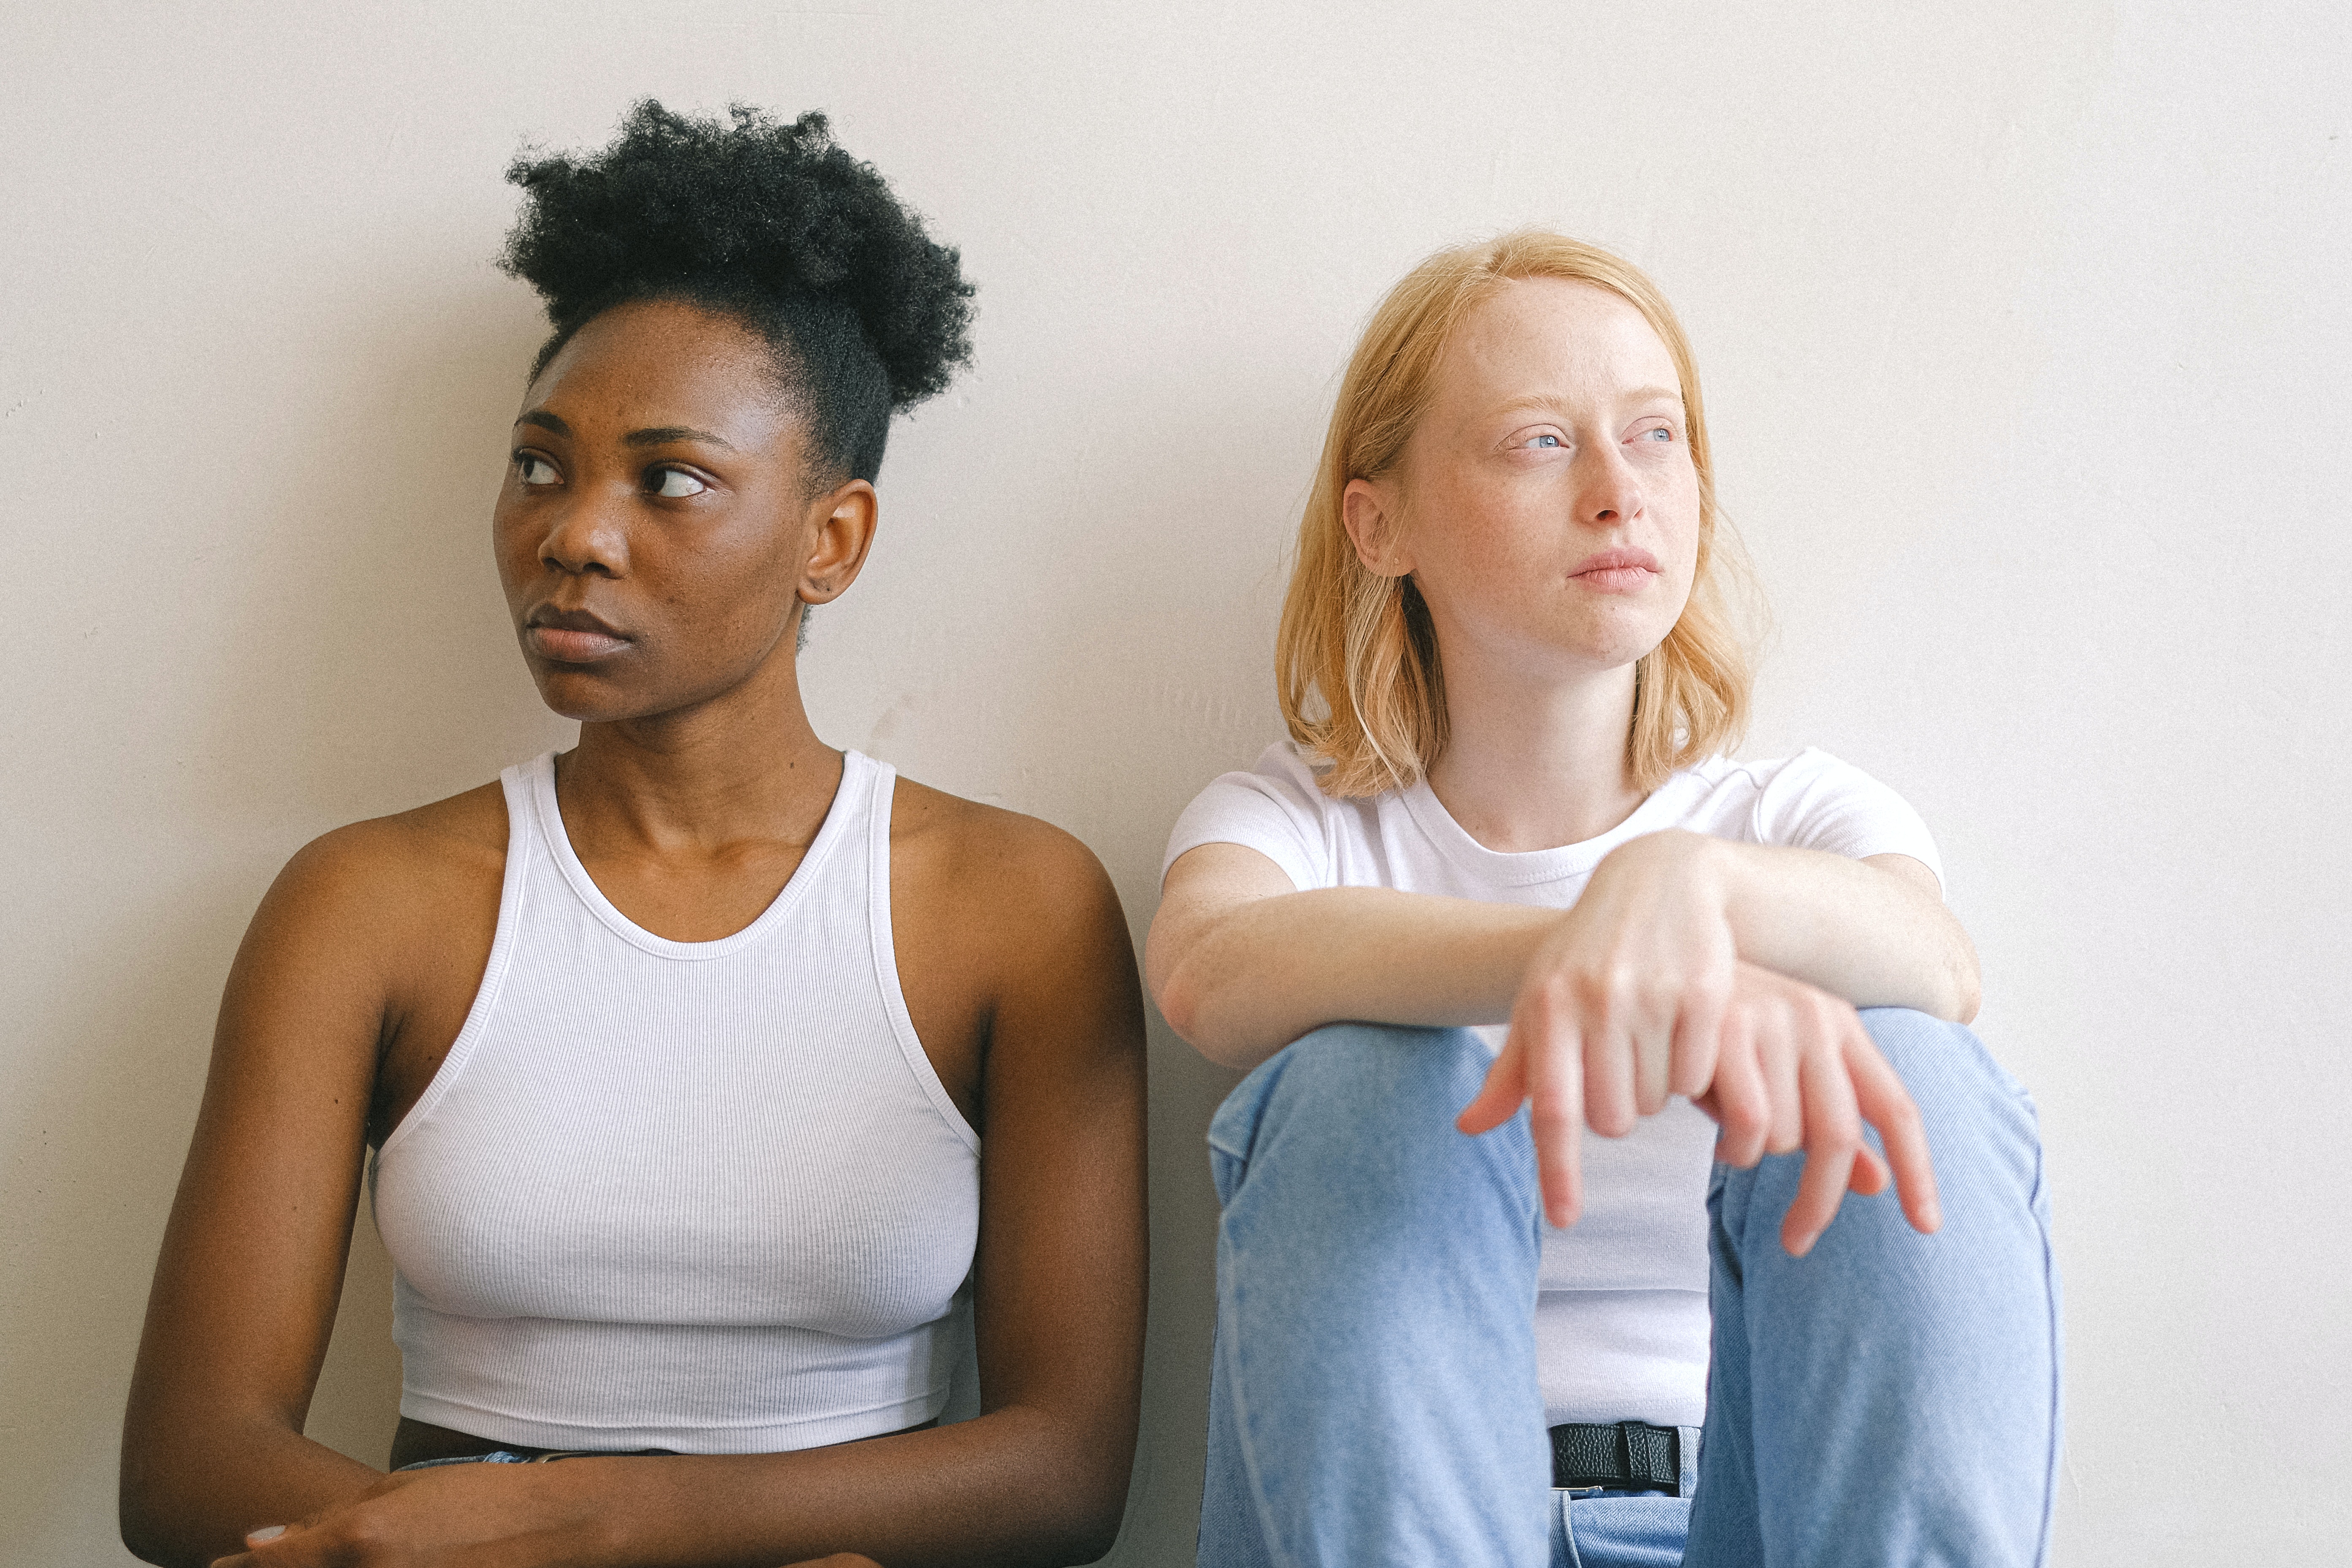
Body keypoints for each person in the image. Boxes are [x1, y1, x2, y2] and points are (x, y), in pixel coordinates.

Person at [121, 103, 1147, 1568]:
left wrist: (603, 1523)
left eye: (670, 480)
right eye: (542, 465)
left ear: (831, 540)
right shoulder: (367, 901)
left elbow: (1064, 1473)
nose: (576, 533)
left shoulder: (1015, 903)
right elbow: (184, 1463)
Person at [1147, 231, 2060, 1567]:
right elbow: (1210, 972)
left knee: (1905, 1059)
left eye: (1655, 436)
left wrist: (1679, 882)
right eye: (1537, 441)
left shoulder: (1791, 821)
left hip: (1742, 1519)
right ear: (1377, 520)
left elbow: (1939, 965)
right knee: (1360, 1077)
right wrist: (1578, 956)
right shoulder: (1293, 824)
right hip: (1413, 1522)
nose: (1618, 492)